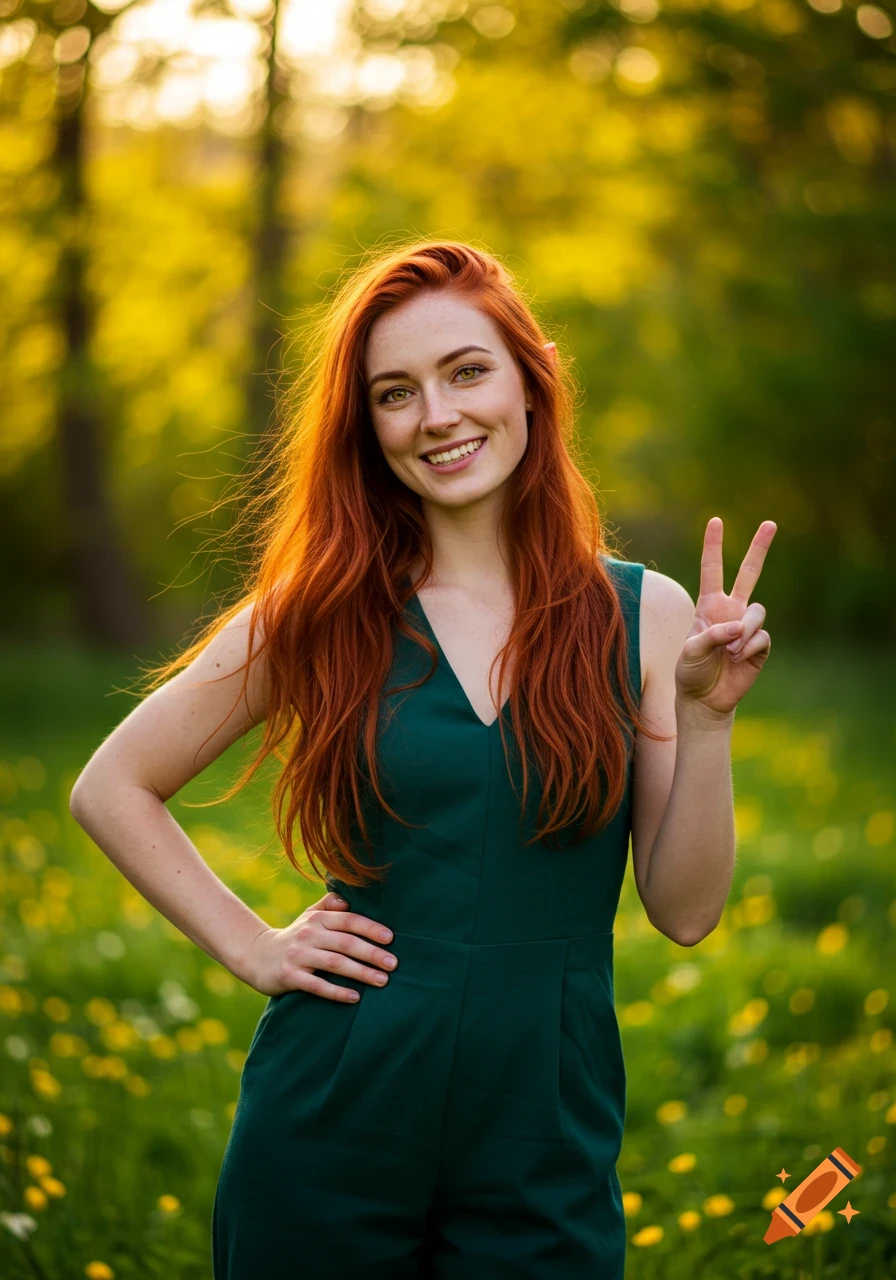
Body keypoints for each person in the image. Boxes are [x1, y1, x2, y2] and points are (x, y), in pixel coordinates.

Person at [69, 239, 775, 1278]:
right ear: (367, 429)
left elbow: (683, 909)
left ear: (530, 381)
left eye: (466, 371)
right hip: (331, 1117)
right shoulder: (316, 610)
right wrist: (250, 945)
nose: (436, 415)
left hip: (545, 1126)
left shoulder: (641, 613)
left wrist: (704, 722)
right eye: (394, 393)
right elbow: (110, 784)